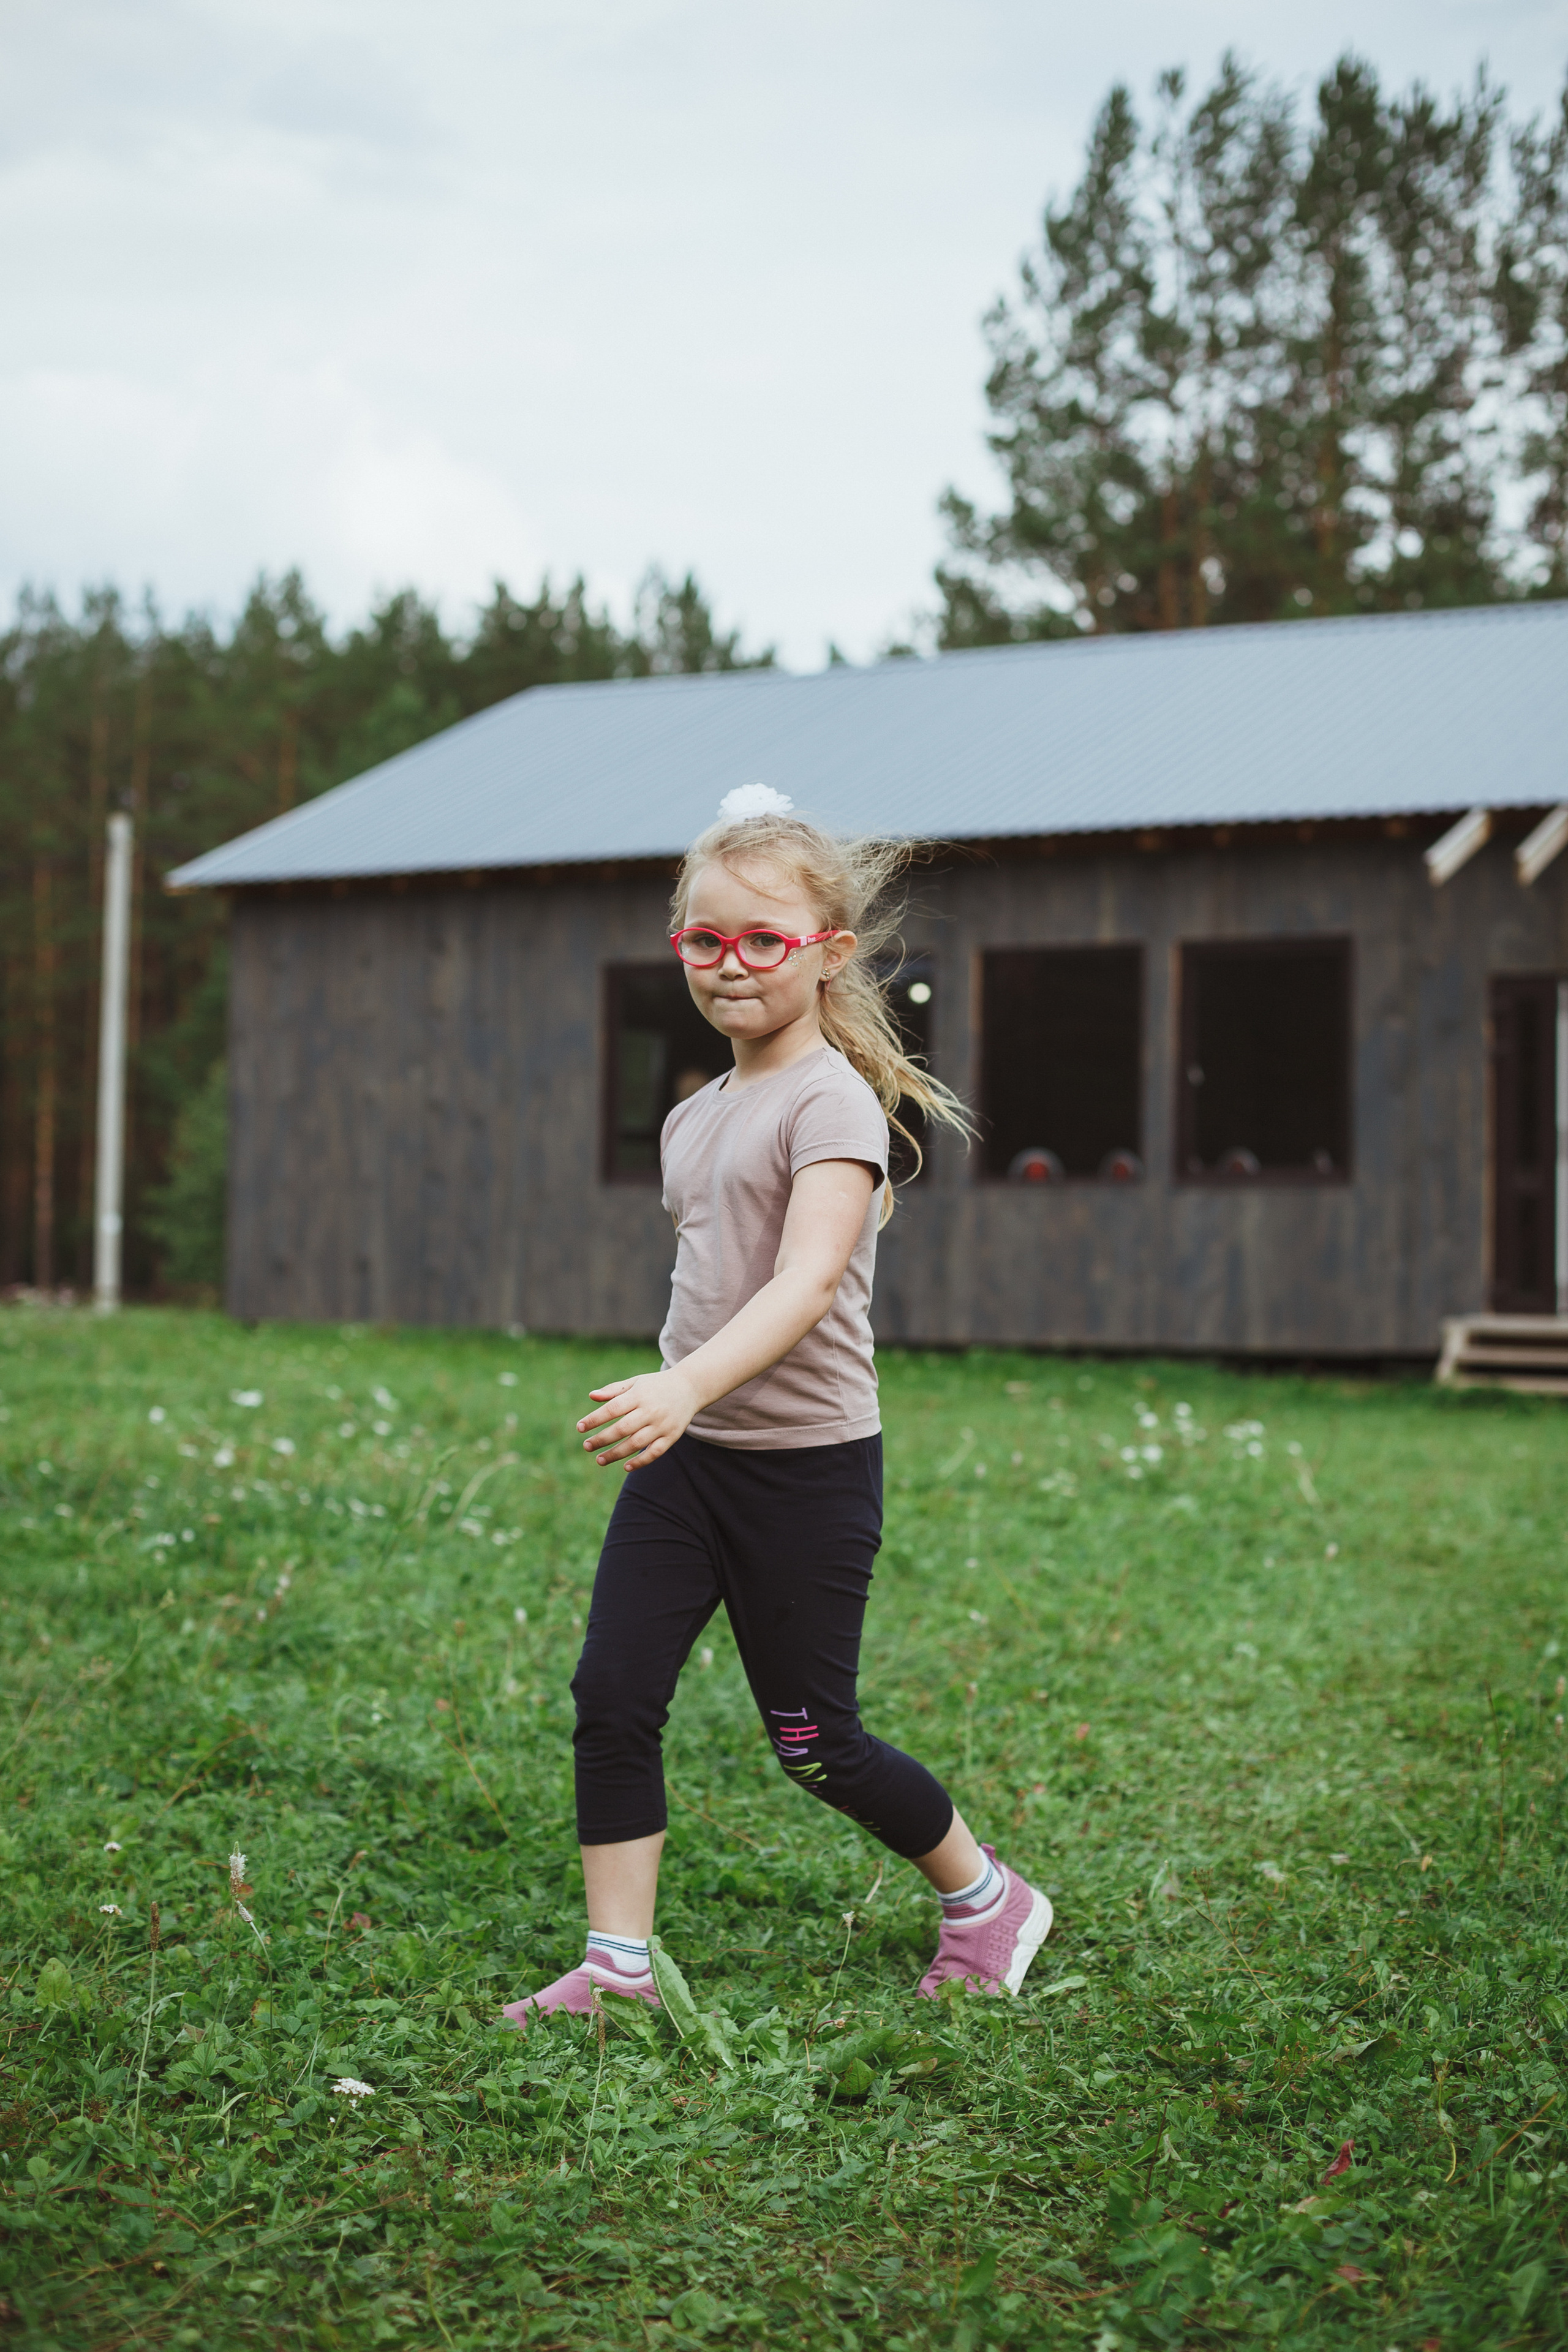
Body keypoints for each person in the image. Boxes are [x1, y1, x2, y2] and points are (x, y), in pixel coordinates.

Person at [502, 788, 1052, 2025]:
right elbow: (708, 1279)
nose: (732, 964)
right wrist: (679, 1396)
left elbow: (804, 1281)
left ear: (827, 954)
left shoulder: (833, 1105)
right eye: (706, 940)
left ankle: (986, 1898)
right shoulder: (694, 1116)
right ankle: (617, 1972)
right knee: (612, 1695)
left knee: (815, 1747)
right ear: (679, 947)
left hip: (804, 1470)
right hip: (688, 1464)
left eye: (764, 940)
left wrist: (683, 1382)